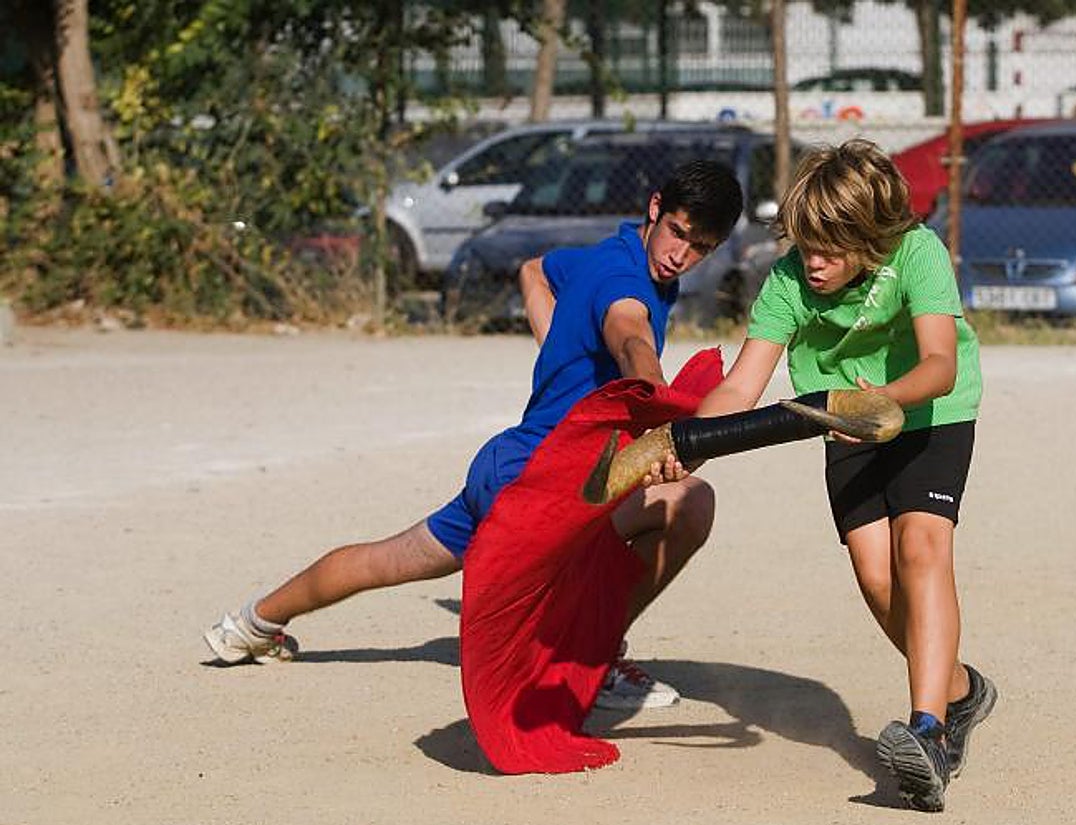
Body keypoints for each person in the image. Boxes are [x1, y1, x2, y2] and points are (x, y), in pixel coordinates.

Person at [204, 158, 746, 711]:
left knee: (389, 559)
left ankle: (251, 623)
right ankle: (591, 657)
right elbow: (632, 341)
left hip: (505, 466)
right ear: (655, 208)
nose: (681, 255)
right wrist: (654, 406)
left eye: (700, 247)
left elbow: (534, 271)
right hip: (546, 478)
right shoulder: (627, 283)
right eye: (678, 232)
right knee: (691, 503)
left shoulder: (612, 252)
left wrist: (564, 354)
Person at [689, 139, 995, 811]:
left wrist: (887, 400)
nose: (814, 263)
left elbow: (940, 362)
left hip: (930, 411)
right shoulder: (790, 279)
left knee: (923, 550)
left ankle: (928, 734)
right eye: (806, 246)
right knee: (877, 577)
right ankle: (960, 690)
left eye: (830, 249)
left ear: (869, 236)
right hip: (843, 418)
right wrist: (685, 446)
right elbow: (741, 389)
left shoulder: (917, 252)